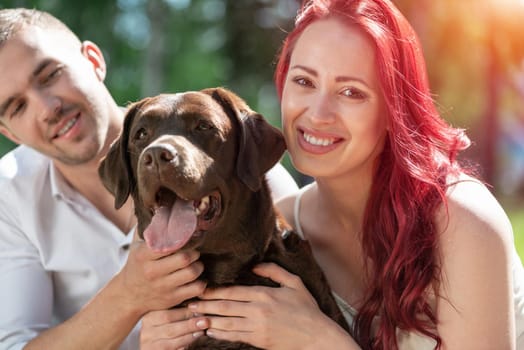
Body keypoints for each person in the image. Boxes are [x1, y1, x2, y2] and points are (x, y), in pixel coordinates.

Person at [140, 0, 524, 349]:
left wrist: (318, 340)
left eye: (351, 92)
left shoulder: (460, 222)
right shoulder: (284, 228)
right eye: (304, 82)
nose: (318, 113)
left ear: (394, 110)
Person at [0, 8, 298, 350]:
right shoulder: (9, 197)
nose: (46, 107)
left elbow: (294, 251)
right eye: (17, 106)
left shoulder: (225, 148)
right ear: (10, 133)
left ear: (94, 60)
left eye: (50, 75)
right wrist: (128, 297)